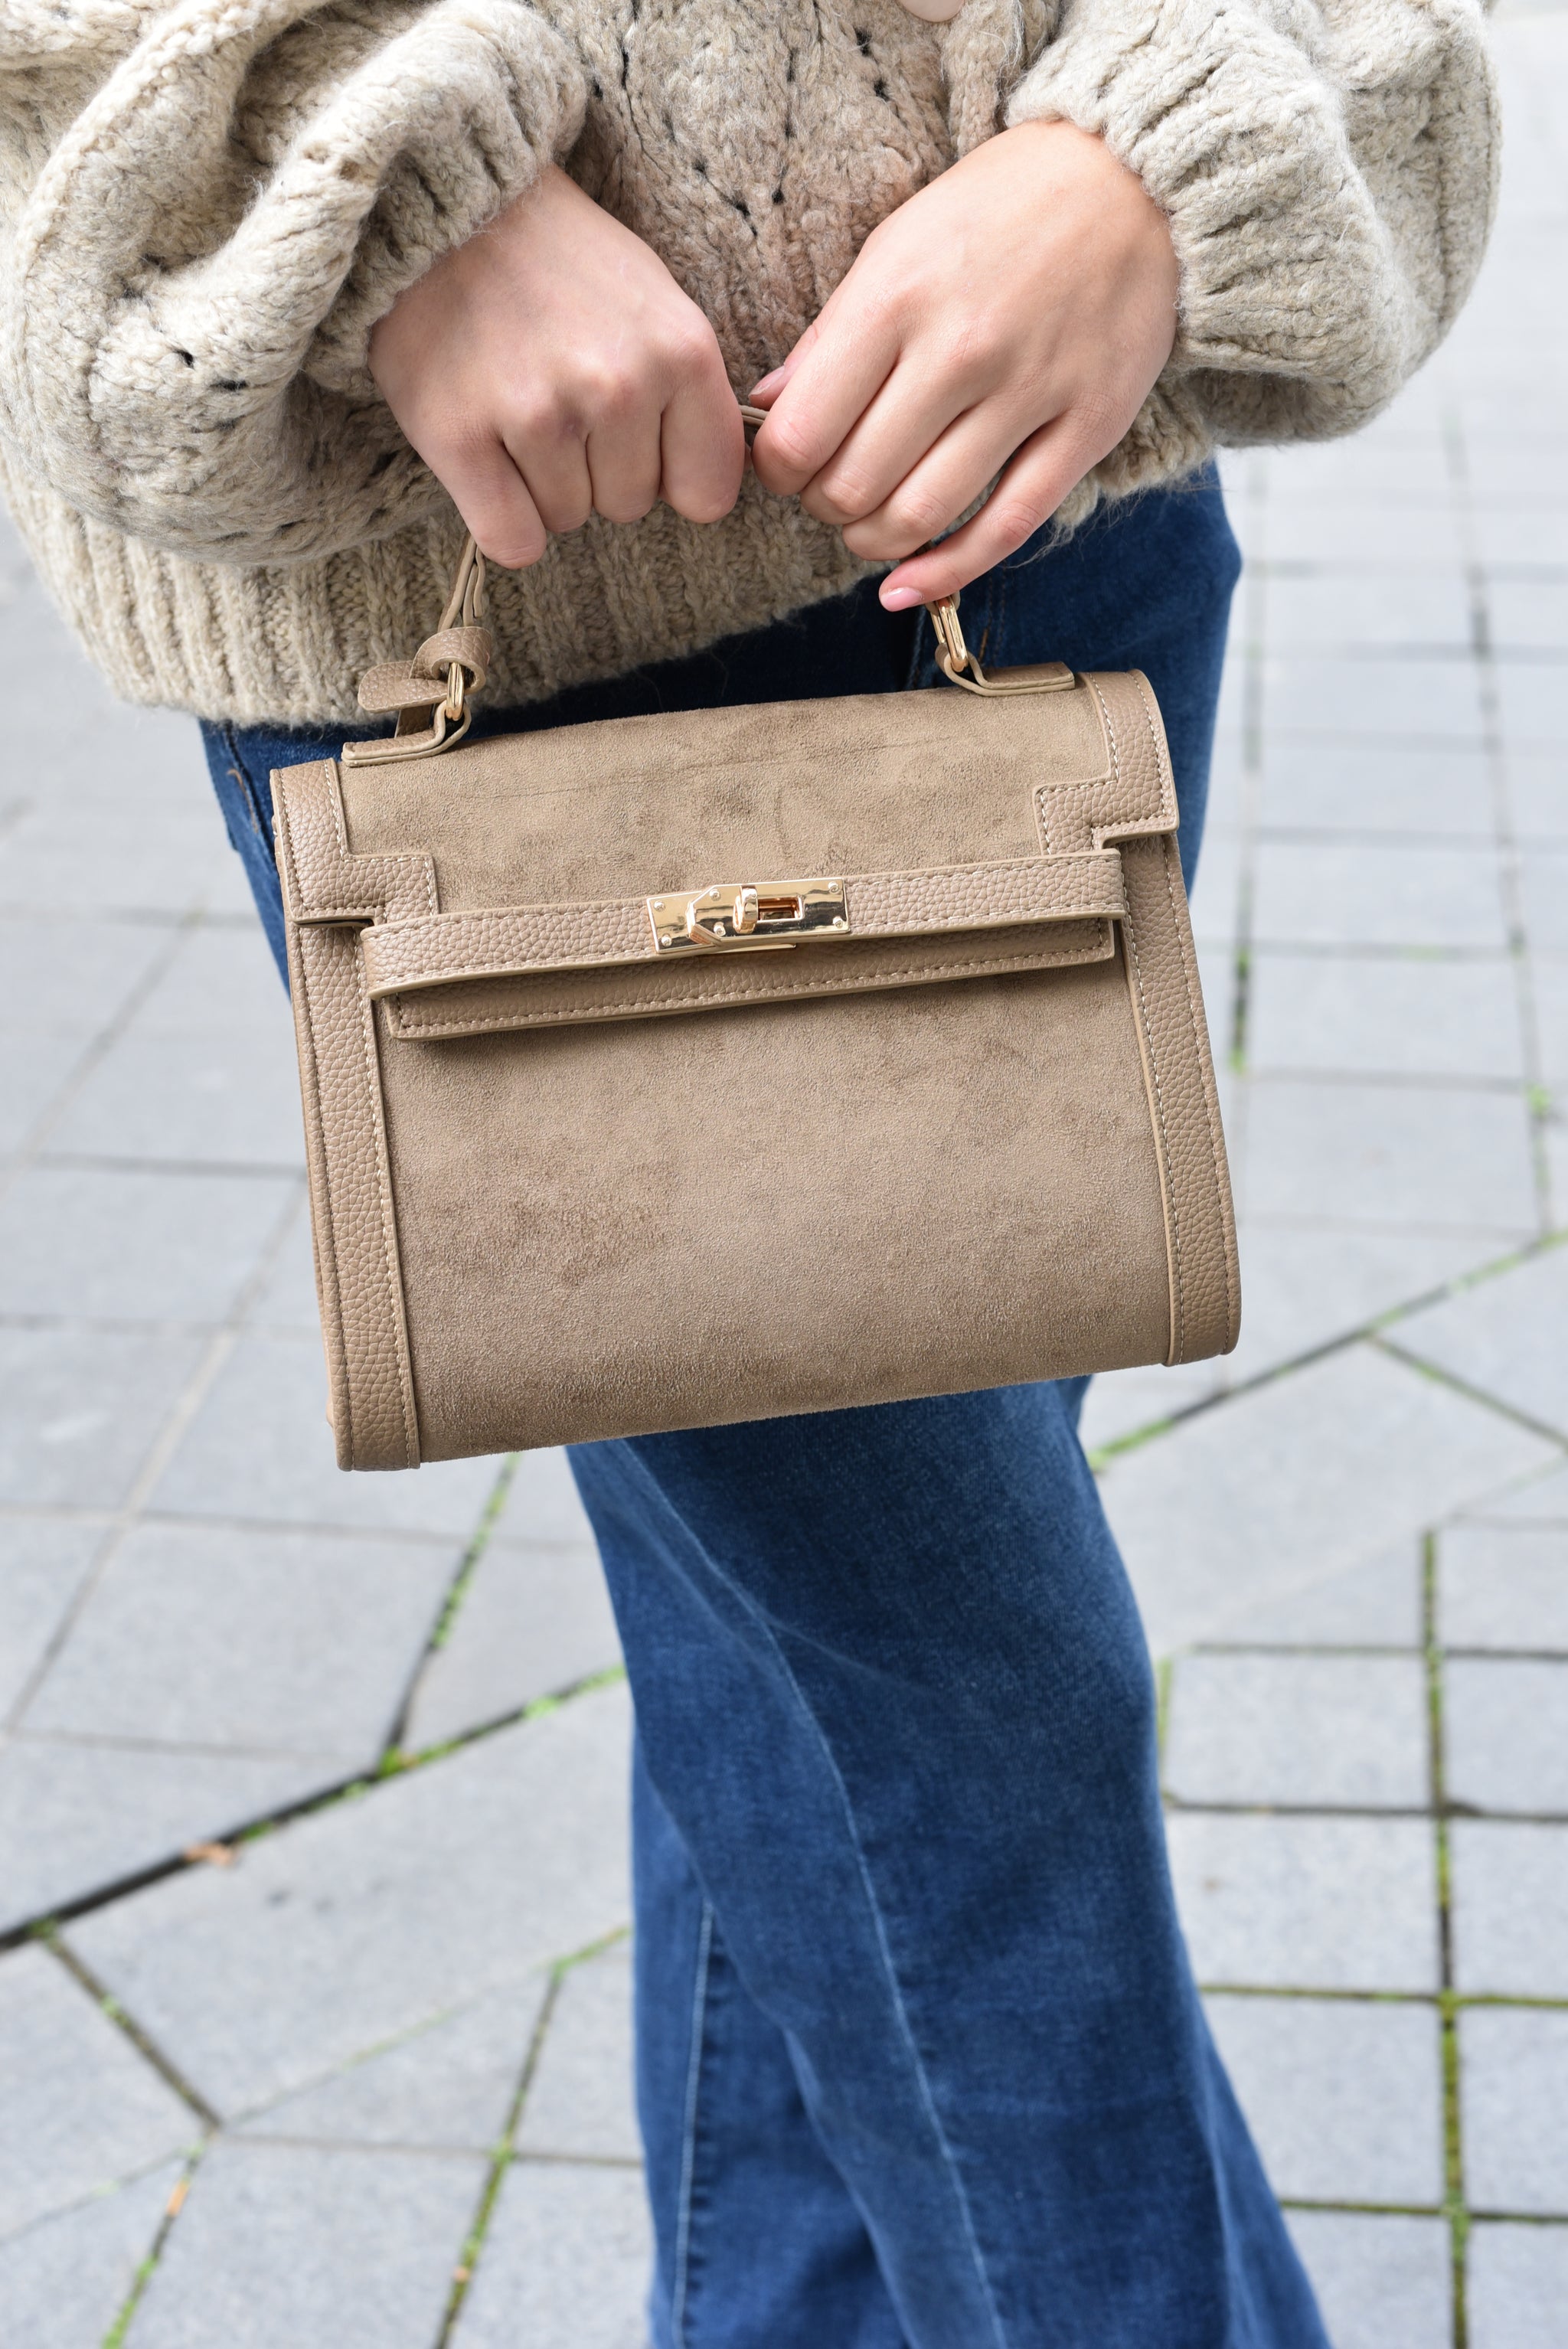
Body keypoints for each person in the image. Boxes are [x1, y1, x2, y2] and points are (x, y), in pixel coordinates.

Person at [1, 3, 1496, 2340]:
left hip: (1046, 519)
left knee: (813, 1691)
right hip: (485, 620)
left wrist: (1158, 137)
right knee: (982, 1745)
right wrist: (364, 144)